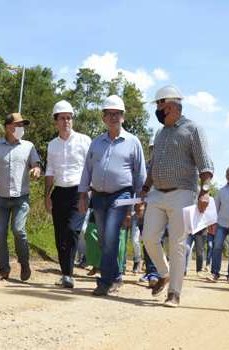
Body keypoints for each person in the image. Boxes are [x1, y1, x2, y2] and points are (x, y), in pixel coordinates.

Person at [141, 85, 214, 307]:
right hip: (157, 194)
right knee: (148, 237)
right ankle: (164, 273)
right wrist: (145, 188)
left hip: (183, 192)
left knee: (177, 243)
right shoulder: (160, 133)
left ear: (170, 106)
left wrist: (205, 191)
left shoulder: (193, 129)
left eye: (159, 105)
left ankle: (174, 293)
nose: (157, 110)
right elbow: (153, 164)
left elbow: (205, 164)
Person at [78, 95, 146, 296]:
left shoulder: (133, 142)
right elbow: (87, 170)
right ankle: (116, 275)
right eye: (109, 114)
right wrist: (83, 194)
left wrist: (139, 203)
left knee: (110, 235)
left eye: (117, 113)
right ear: (104, 118)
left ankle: (105, 282)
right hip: (98, 196)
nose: (113, 117)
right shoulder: (97, 142)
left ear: (123, 117)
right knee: (103, 239)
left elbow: (140, 175)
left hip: (122, 194)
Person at [0, 112, 41, 281]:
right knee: (0, 234)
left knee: (19, 231)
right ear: (7, 127)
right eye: (17, 125)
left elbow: (37, 165)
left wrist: (36, 170)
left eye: (22, 125)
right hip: (0, 198)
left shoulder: (29, 146)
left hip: (21, 198)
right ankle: (3, 269)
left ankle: (24, 263)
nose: (21, 128)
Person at [45, 100, 91, 288]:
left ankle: (69, 273)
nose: (66, 121)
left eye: (69, 118)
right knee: (60, 235)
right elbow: (50, 171)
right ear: (56, 121)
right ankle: (66, 274)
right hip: (59, 193)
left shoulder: (84, 140)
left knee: (73, 230)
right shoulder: (52, 145)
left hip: (78, 192)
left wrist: (86, 194)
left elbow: (90, 168)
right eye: (62, 118)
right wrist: (46, 196)